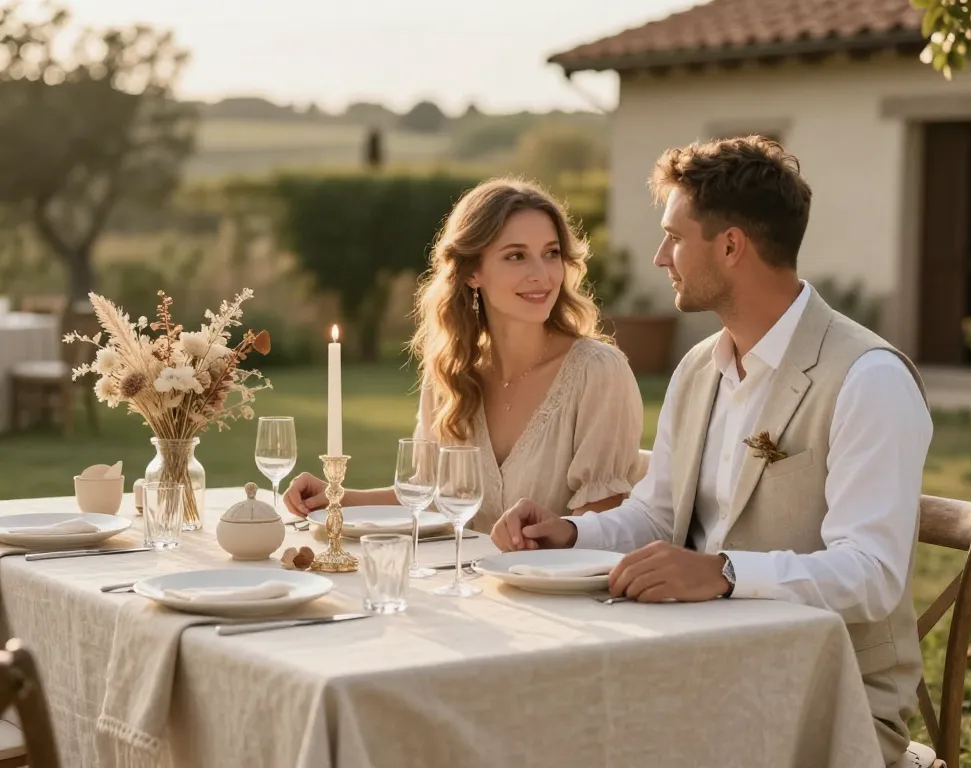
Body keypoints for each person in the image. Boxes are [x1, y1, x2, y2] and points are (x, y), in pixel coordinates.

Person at [490, 137, 933, 766]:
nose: (660, 256)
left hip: (830, 705)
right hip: (695, 669)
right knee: (540, 715)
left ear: (730, 246)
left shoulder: (868, 378)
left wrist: (722, 572)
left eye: (674, 236)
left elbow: (871, 576)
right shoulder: (700, 367)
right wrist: (570, 532)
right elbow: (656, 514)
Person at [285, 177, 645, 533]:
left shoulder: (597, 373)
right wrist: (336, 497)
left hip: (558, 588)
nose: (542, 275)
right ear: (473, 271)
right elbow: (422, 497)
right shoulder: (450, 373)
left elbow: (602, 521)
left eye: (551, 253)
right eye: (516, 256)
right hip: (466, 585)